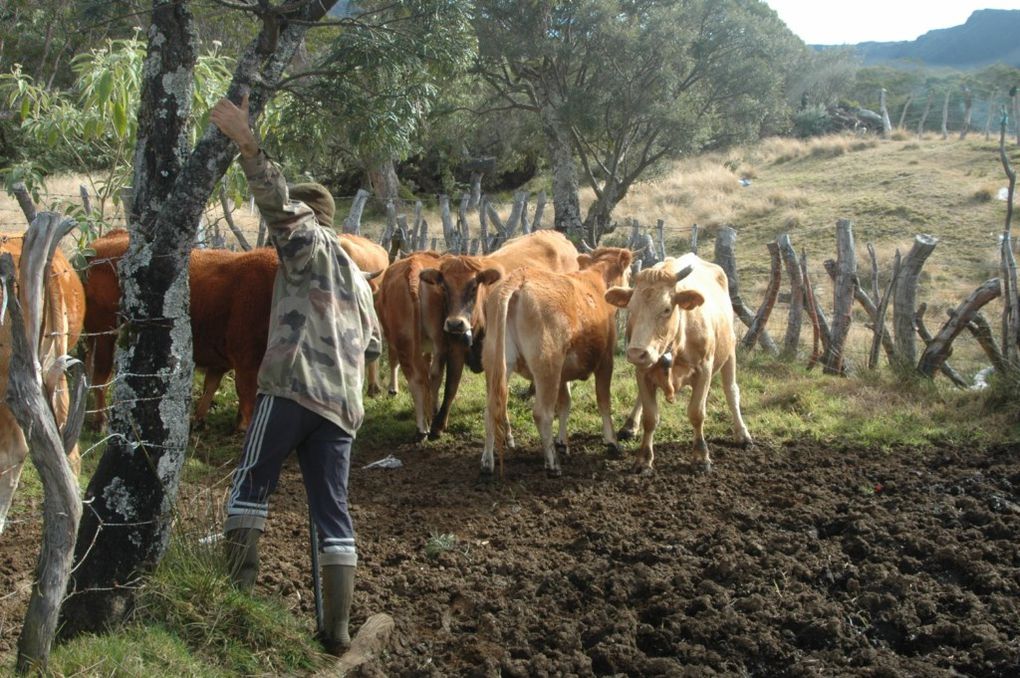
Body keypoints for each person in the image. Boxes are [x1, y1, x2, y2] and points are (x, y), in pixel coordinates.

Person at [210, 93, 382, 655]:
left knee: (250, 484)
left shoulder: (305, 243)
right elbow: (374, 345)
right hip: (342, 411)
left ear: (309, 218)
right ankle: (335, 634)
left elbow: (277, 203)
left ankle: (232, 610)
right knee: (332, 512)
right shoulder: (359, 279)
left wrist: (247, 143)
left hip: (290, 390)